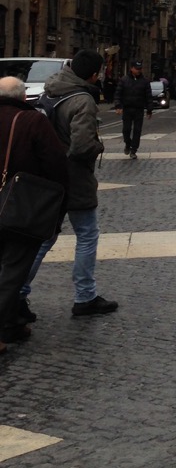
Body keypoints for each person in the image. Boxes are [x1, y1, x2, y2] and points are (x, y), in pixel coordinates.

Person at [22, 50, 118, 318]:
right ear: (94, 74)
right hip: (74, 177)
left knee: (44, 238)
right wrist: (98, 147)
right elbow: (83, 146)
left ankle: (17, 292)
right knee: (87, 235)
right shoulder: (83, 100)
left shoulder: (50, 90)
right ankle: (85, 297)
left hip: (48, 175)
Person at [0, 77, 69, 346]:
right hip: (20, 208)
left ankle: (11, 324)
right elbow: (56, 167)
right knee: (12, 271)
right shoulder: (32, 121)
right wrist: (57, 211)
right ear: (22, 97)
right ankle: (4, 328)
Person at [112, 58, 153, 160]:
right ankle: (127, 143)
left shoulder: (145, 82)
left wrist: (149, 109)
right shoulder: (124, 80)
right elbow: (118, 94)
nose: (139, 70)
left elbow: (148, 96)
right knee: (126, 129)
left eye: (140, 68)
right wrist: (118, 105)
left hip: (139, 109)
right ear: (131, 68)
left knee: (137, 131)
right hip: (127, 109)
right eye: (137, 68)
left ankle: (133, 150)